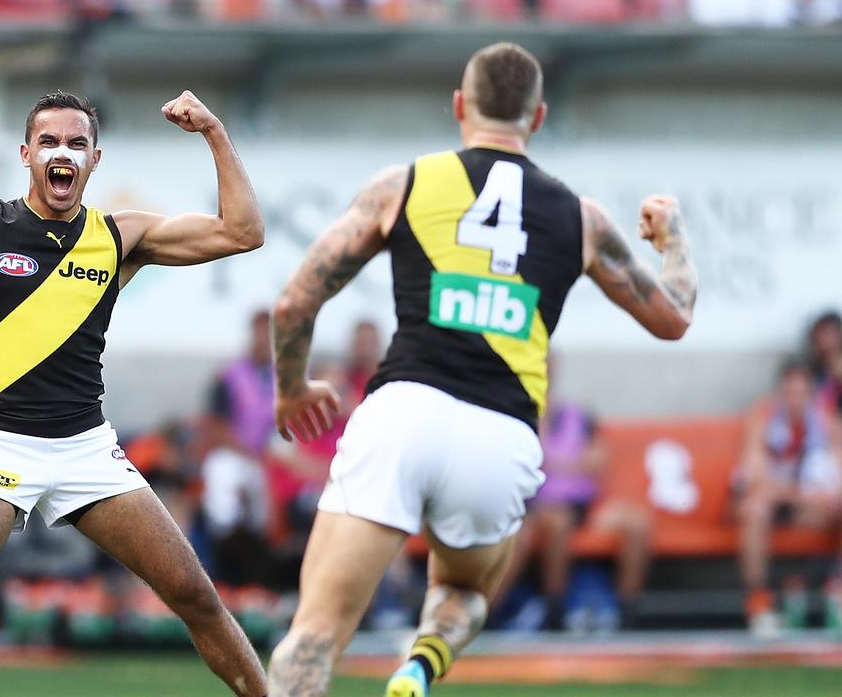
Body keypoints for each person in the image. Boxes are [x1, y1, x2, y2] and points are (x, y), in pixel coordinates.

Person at [263, 42, 698, 697]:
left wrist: (292, 388)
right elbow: (673, 316)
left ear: (460, 107)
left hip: (403, 414)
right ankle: (420, 665)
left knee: (315, 635)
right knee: (465, 588)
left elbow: (296, 299)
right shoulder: (582, 219)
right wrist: (673, 239)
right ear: (540, 117)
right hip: (502, 436)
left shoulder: (403, 184)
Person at [0, 56, 267, 697]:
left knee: (193, 592)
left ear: (94, 160)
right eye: (48, 141)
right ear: (26, 154)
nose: (61, 152)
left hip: (85, 450)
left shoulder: (119, 237)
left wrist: (214, 131)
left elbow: (243, 232)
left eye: (77, 142)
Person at [497, 390, 653, 632]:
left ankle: (627, 613)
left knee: (637, 522)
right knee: (558, 522)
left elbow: (598, 459)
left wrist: (554, 462)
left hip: (585, 505)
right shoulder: (514, 412)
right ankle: (555, 610)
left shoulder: (575, 415)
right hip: (538, 509)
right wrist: (570, 462)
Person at [736, 357, 842, 636]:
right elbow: (757, 482)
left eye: (802, 393)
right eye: (790, 393)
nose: (796, 400)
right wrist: (803, 495)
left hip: (808, 508)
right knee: (755, 509)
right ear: (780, 394)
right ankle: (758, 603)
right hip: (774, 504)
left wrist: (828, 494)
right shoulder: (762, 419)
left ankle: (837, 593)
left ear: (812, 395)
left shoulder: (826, 423)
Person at [199, 310, 277, 587]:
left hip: (265, 458)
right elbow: (216, 424)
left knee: (263, 514)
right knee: (225, 496)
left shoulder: (282, 377)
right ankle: (219, 566)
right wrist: (245, 451)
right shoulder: (229, 375)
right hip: (232, 455)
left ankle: (259, 581)